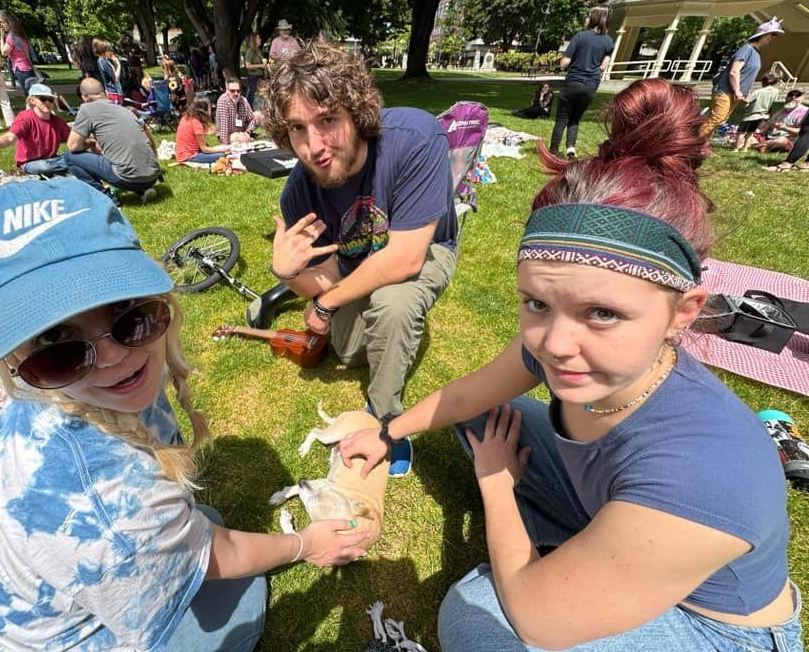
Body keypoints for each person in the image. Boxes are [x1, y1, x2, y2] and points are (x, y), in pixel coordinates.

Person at [337, 78, 803, 652]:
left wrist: (497, 484)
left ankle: (575, 559)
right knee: (484, 417)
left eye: (602, 312)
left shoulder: (704, 471)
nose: (555, 343)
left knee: (474, 618)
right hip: (618, 513)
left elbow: (536, 619)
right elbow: (467, 396)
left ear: (683, 312)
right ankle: (589, 554)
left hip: (707, 624)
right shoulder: (572, 350)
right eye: (537, 302)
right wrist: (386, 431)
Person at [0, 178, 369, 650]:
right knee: (238, 607)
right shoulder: (116, 508)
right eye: (56, 342)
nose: (114, 357)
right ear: (13, 358)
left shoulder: (49, 391)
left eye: (126, 311)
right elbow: (217, 551)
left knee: (203, 524)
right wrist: (306, 544)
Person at [263, 41, 458, 478]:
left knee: (393, 305)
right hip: (356, 265)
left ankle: (386, 421)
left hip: (425, 248)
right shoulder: (299, 192)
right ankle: (380, 340)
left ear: (357, 112)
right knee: (350, 354)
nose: (314, 146)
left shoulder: (415, 139)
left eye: (327, 121)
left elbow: (406, 257)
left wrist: (325, 305)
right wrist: (289, 271)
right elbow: (327, 277)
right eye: (297, 129)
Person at [64, 77, 161, 203]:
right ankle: (143, 190)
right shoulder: (124, 109)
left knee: (69, 157)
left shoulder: (86, 109)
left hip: (127, 178)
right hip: (152, 176)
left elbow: (73, 146)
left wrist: (91, 142)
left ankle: (106, 198)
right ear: (104, 92)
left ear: (84, 97)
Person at [700, 17, 785, 139]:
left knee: (721, 119)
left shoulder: (756, 52)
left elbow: (746, 75)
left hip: (734, 94)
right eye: (771, 35)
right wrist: (737, 91)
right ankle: (692, 145)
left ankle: (703, 145)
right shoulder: (747, 49)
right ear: (763, 34)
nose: (772, 38)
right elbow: (734, 72)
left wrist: (745, 93)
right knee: (717, 118)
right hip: (724, 91)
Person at [549, 6, 614, 158]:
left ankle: (553, 150)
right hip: (591, 85)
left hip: (573, 82)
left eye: (588, 16)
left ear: (595, 18)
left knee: (562, 119)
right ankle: (571, 150)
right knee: (575, 119)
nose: (586, 18)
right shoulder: (609, 41)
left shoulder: (580, 36)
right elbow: (604, 67)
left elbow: (565, 62)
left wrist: (563, 61)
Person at [0, 83, 73, 177]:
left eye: (50, 100)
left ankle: (60, 170)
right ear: (32, 100)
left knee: (79, 158)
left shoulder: (57, 121)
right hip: (30, 162)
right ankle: (61, 170)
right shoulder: (25, 117)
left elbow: (73, 138)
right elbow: (10, 137)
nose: (47, 102)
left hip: (53, 159)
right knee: (44, 168)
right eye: (43, 99)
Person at [175, 98, 230, 165]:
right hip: (189, 156)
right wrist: (225, 149)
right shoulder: (197, 123)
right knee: (223, 155)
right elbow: (204, 149)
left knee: (222, 151)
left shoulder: (185, 117)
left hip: (181, 154)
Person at [750, 89, 806, 153]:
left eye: (797, 96)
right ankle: (764, 147)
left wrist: (785, 128)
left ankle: (755, 146)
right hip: (769, 137)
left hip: (787, 139)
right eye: (790, 95)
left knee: (781, 141)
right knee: (750, 134)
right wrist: (755, 131)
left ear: (802, 99)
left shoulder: (804, 112)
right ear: (786, 98)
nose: (793, 97)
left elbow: (802, 131)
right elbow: (766, 126)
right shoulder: (781, 110)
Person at [735, 73, 780, 151]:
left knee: (741, 132)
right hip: (762, 115)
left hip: (751, 115)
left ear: (763, 82)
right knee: (750, 133)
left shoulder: (758, 91)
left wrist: (741, 97)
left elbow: (748, 101)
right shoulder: (776, 91)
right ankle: (745, 149)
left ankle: (737, 148)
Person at [0, 10, 36, 94]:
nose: (1, 25)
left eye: (3, 22)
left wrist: (1, 38)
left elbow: (4, 52)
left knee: (30, 97)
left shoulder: (11, 36)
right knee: (33, 94)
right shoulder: (20, 34)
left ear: (9, 22)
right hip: (28, 67)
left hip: (21, 69)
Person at [215, 78, 257, 145]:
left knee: (259, 114)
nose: (236, 93)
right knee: (239, 139)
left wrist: (248, 132)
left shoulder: (243, 101)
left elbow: (252, 119)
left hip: (241, 132)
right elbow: (223, 127)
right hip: (228, 134)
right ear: (227, 91)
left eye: (238, 91)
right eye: (232, 91)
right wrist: (225, 146)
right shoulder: (223, 101)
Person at [93, 39, 123, 103]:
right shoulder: (103, 62)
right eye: (109, 50)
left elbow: (113, 73)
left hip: (114, 91)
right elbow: (115, 78)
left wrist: (115, 64)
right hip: (113, 92)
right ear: (104, 51)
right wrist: (118, 64)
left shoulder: (104, 60)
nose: (111, 52)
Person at [244, 32, 267, 108]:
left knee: (259, 95)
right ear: (254, 40)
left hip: (260, 76)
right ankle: (248, 111)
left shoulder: (259, 51)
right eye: (258, 38)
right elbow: (248, 66)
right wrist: (261, 65)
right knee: (252, 95)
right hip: (253, 77)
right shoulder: (250, 51)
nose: (260, 39)